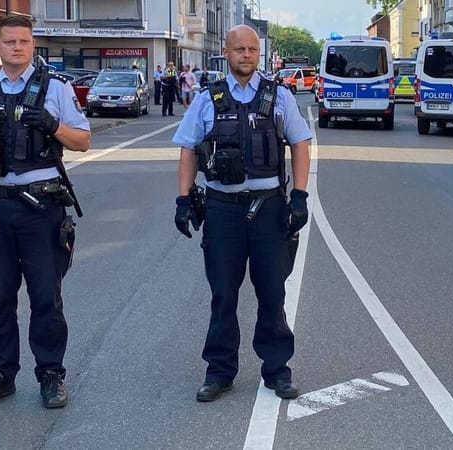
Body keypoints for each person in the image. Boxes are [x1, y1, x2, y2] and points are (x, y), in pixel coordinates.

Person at [0, 15, 90, 409]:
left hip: (41, 207)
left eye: (24, 42)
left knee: (46, 296)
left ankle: (50, 374)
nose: (18, 48)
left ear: (33, 46)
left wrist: (51, 124)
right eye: (10, 42)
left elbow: (82, 141)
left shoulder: (56, 88)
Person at [171, 24, 312, 402]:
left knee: (271, 293)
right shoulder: (207, 99)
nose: (246, 55)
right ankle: (219, 372)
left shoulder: (278, 97)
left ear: (257, 54)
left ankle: (277, 370)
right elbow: (187, 148)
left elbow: (300, 143)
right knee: (223, 295)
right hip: (222, 211)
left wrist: (300, 195)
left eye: (252, 49)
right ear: (227, 54)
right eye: (239, 49)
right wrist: (183, 200)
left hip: (268, 209)